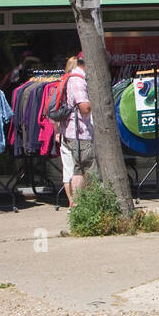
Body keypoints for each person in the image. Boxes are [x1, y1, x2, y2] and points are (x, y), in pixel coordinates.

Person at [61, 54, 96, 205]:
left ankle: (76, 204)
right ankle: (84, 205)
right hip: (80, 132)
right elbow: (85, 108)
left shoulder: (70, 78)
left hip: (70, 132)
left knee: (75, 169)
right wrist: (99, 102)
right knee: (87, 169)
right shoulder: (77, 80)